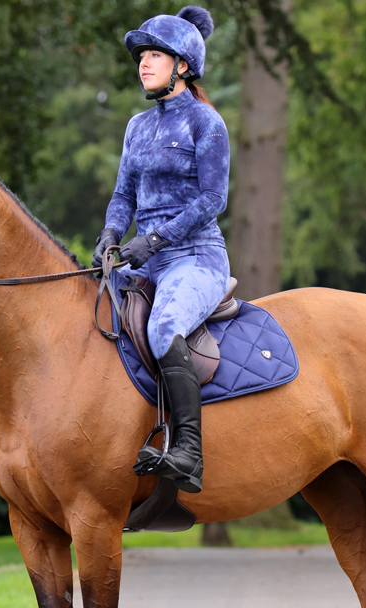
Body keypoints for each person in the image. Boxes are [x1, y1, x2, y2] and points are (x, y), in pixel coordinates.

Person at [92, 5, 230, 494]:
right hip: (141, 261)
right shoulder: (136, 126)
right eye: (141, 56)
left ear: (184, 66)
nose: (143, 64)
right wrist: (110, 235)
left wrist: (153, 240)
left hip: (195, 259)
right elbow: (123, 195)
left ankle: (188, 450)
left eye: (155, 55)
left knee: (165, 324)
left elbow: (213, 200)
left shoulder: (206, 123)